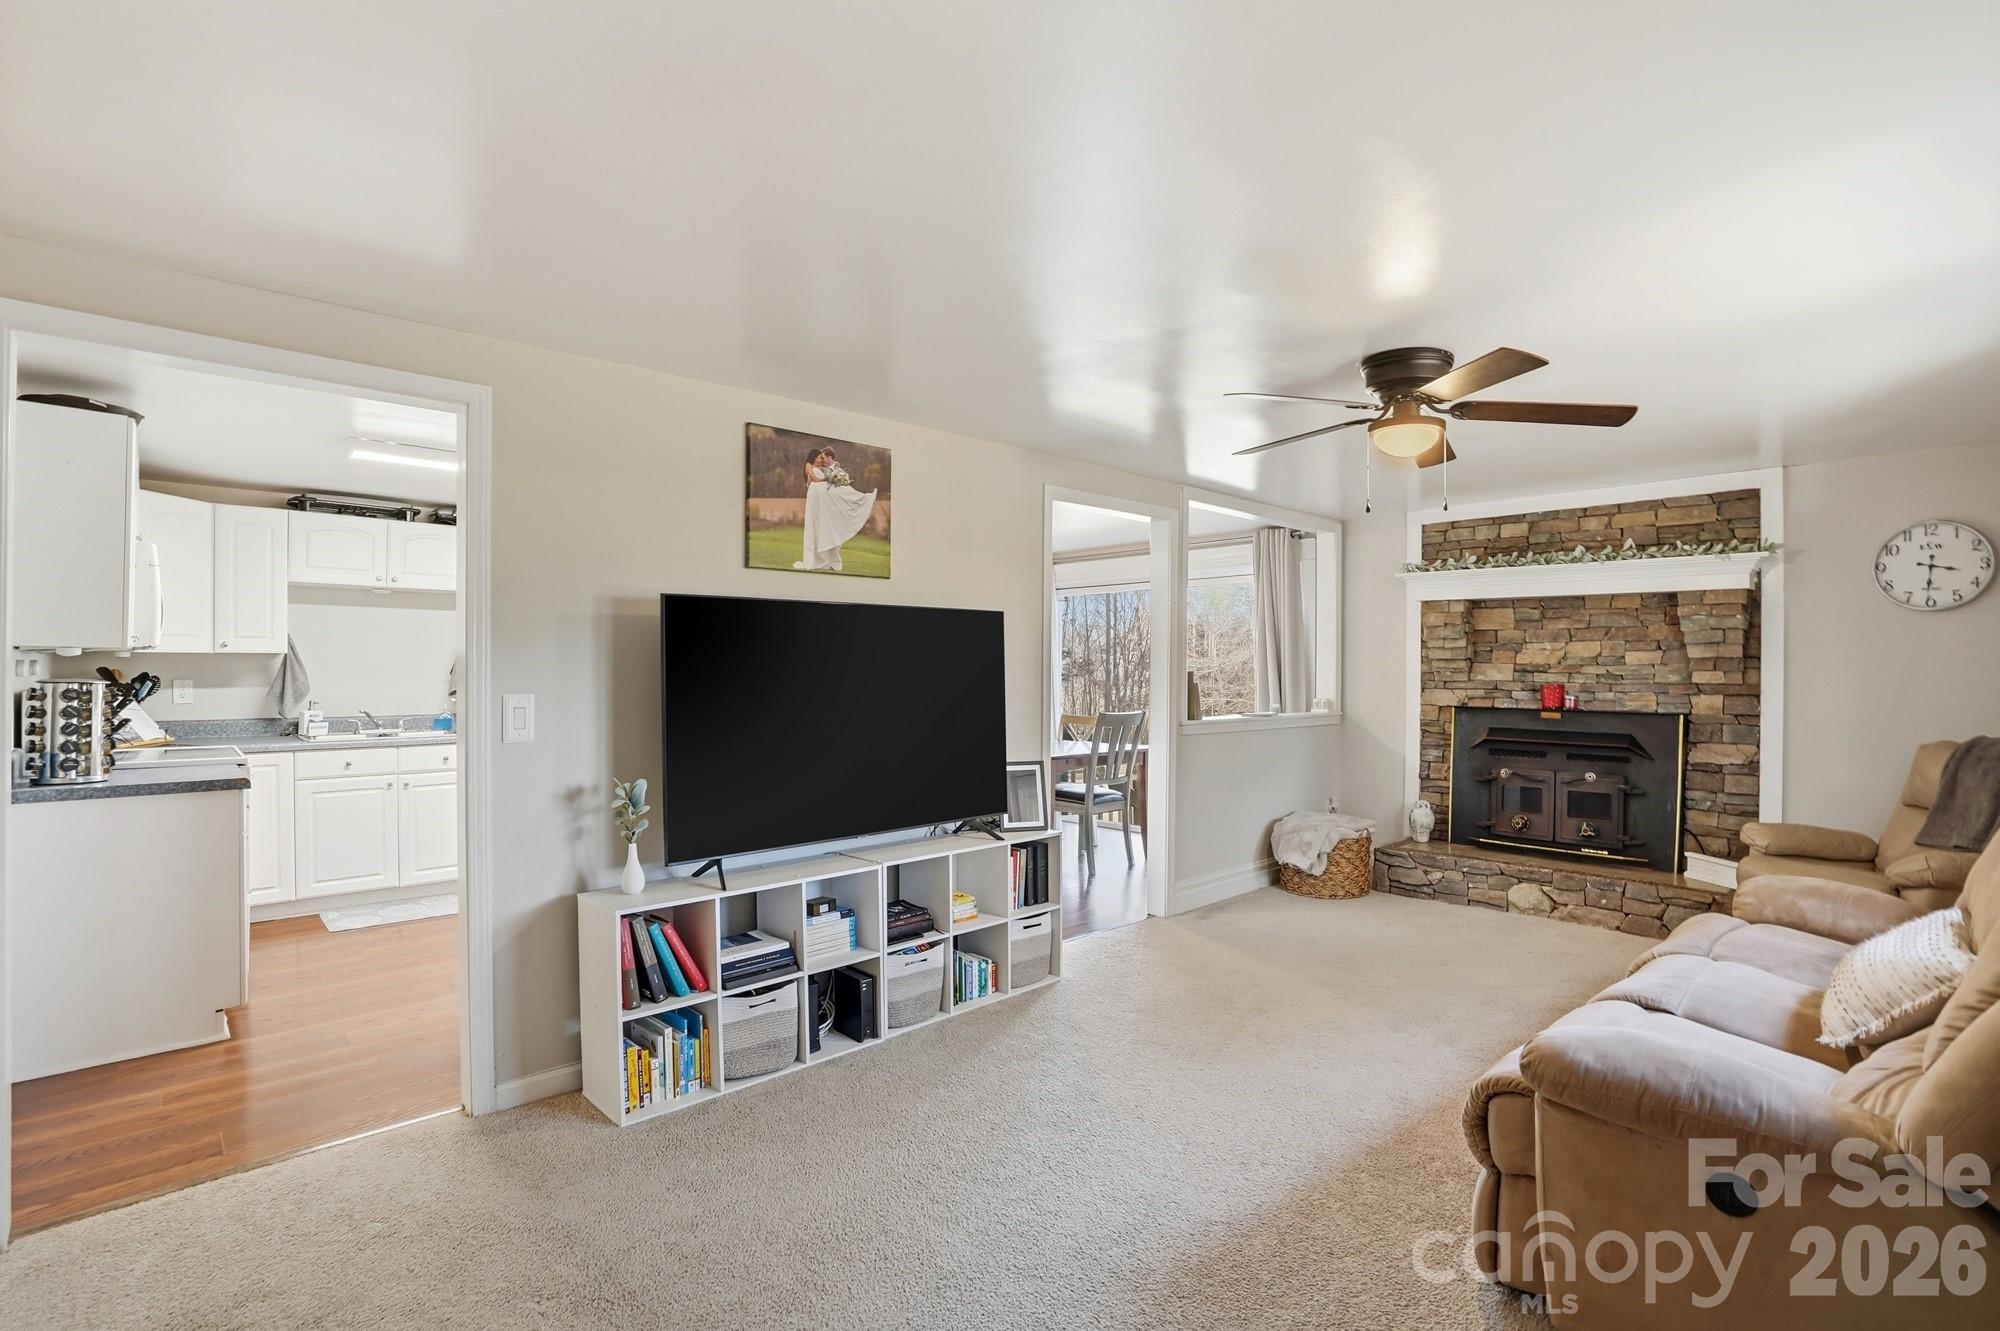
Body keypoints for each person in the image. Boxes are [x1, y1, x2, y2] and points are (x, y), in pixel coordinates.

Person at [793, 446, 877, 571]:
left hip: (822, 501)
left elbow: (830, 472)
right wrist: (829, 479)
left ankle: (861, 499)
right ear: (813, 458)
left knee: (826, 525)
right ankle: (818, 558)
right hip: (815, 501)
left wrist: (834, 471)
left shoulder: (822, 468)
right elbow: (815, 479)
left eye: (822, 458)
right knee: (816, 526)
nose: (820, 460)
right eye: (819, 457)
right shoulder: (809, 466)